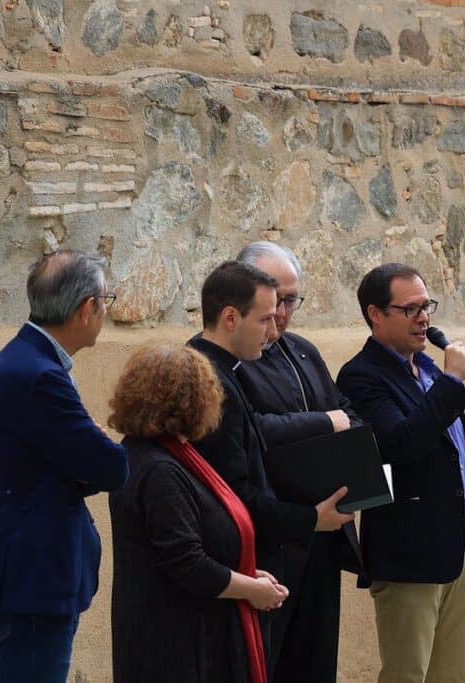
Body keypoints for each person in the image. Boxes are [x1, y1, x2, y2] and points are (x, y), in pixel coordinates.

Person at [0, 250, 129, 683]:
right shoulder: (38, 376)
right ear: (87, 308)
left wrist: (87, 448)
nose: (106, 310)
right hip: (27, 596)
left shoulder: (26, 362)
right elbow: (112, 468)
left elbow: (50, 466)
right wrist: (99, 444)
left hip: (18, 589)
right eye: (107, 300)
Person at [336, 263, 465, 683]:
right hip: (408, 550)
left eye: (426, 305)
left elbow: (459, 462)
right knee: (407, 674)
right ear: (376, 313)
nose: (424, 318)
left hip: (461, 544)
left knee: (454, 675)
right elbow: (401, 445)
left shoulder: (428, 369)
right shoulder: (361, 376)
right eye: (410, 309)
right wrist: (450, 380)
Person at [187, 260, 353, 674]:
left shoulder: (234, 369)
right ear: (230, 318)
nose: (273, 329)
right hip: (249, 559)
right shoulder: (212, 381)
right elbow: (233, 494)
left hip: (285, 552)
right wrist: (309, 519)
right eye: (264, 317)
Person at [107, 345, 288, 683]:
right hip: (176, 642)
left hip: (180, 631)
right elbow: (185, 562)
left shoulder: (163, 455)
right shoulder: (160, 469)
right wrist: (251, 589)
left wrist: (249, 572)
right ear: (194, 400)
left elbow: (198, 539)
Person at [235, 242, 364, 682]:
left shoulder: (303, 350)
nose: (285, 313)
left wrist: (332, 421)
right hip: (271, 540)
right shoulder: (233, 360)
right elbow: (254, 431)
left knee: (315, 663)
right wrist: (326, 421)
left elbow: (353, 414)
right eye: (277, 300)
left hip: (324, 540)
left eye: (292, 300)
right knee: (266, 664)